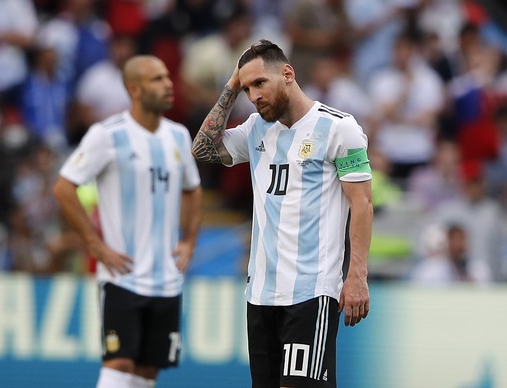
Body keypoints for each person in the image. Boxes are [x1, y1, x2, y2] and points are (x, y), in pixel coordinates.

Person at [192, 39, 373, 388]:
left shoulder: (339, 128)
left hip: (311, 290)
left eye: (259, 83)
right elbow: (202, 149)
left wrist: (356, 275)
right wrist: (230, 87)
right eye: (246, 88)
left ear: (287, 73)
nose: (254, 95)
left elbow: (362, 203)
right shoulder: (256, 129)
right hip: (260, 293)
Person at [53, 55, 203, 388]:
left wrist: (189, 240)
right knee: (118, 362)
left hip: (166, 277)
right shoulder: (107, 135)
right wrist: (95, 245)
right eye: (157, 79)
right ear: (134, 89)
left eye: (167, 77)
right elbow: (64, 188)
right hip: (123, 275)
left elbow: (193, 190)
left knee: (148, 370)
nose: (168, 84)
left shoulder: (178, 136)